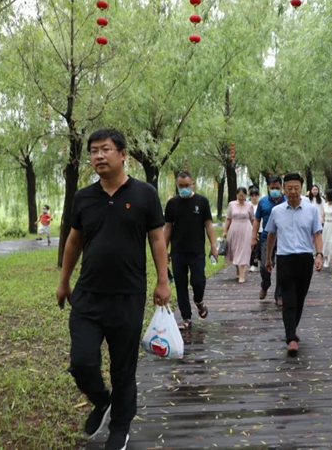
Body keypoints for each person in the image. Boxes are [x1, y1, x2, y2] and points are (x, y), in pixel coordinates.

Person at [56, 129, 171, 450]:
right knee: (82, 362)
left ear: (123, 155)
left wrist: (163, 281)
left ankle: (120, 427)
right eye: (93, 151)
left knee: (123, 368)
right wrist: (64, 281)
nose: (98, 156)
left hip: (127, 296)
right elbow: (74, 241)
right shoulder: (83, 197)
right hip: (88, 295)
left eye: (105, 149)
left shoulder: (145, 194)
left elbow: (157, 239)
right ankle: (102, 400)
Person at [265, 172, 323, 356]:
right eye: (289, 188)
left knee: (299, 298)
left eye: (296, 188)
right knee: (288, 299)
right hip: (285, 259)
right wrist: (268, 258)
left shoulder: (311, 210)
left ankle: (292, 328)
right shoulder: (277, 211)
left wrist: (319, 255)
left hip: (305, 258)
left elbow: (317, 234)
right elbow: (271, 235)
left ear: (301, 188)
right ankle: (291, 337)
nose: (293, 191)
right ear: (284, 189)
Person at [164, 171, 218, 331]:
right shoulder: (172, 204)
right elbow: (168, 227)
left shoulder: (202, 201)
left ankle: (199, 301)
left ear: (193, 184)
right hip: (178, 251)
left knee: (198, 281)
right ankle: (186, 317)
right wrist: (164, 250)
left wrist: (213, 246)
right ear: (177, 185)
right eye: (181, 186)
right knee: (180, 285)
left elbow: (208, 224)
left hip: (197, 251)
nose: (184, 188)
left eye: (187, 185)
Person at [251, 176, 286, 305]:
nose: (275, 190)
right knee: (264, 266)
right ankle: (265, 285)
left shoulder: (287, 201)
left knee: (283, 267)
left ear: (281, 187)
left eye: (277, 188)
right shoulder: (263, 202)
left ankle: (279, 295)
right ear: (268, 187)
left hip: (284, 238)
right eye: (272, 188)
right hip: (266, 237)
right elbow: (257, 220)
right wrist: (253, 237)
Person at [222, 187, 255, 283]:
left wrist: (255, 232)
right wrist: (225, 230)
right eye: (239, 196)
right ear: (236, 195)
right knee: (234, 251)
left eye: (243, 196)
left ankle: (242, 275)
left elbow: (253, 220)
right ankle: (237, 269)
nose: (241, 198)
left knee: (244, 251)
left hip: (246, 230)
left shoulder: (249, 206)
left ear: (246, 195)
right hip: (234, 229)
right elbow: (228, 218)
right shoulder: (231, 204)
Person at [248, 187, 261, 272]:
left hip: (260, 229)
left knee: (259, 248)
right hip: (249, 229)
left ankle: (258, 261)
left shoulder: (261, 204)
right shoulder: (248, 205)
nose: (254, 197)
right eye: (252, 196)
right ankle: (253, 264)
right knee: (252, 248)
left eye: (255, 195)